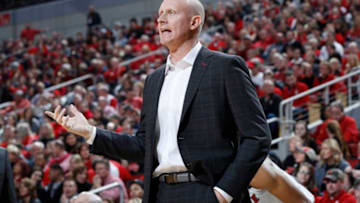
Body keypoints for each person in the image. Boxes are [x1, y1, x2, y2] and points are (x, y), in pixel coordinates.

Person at [46, 0, 272, 202]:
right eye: (160, 13)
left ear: (195, 22)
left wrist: (224, 192)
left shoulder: (225, 67)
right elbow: (143, 146)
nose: (161, 19)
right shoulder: (154, 80)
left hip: (206, 190)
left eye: (171, 12)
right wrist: (90, 133)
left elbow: (257, 136)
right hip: (160, 193)